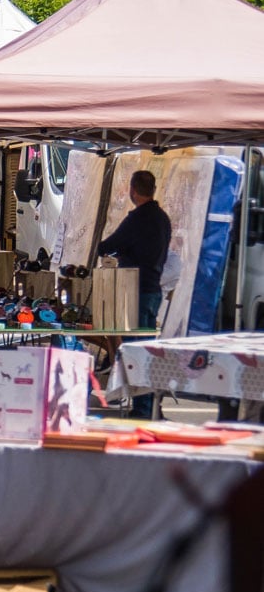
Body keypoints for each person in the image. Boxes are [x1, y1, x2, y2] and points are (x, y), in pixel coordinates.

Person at [98, 170, 172, 419]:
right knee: (148, 350)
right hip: (153, 289)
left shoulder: (138, 219)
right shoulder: (162, 218)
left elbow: (109, 244)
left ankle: (143, 408)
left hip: (136, 291)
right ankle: (152, 405)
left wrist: (112, 252)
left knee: (136, 352)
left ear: (133, 190)